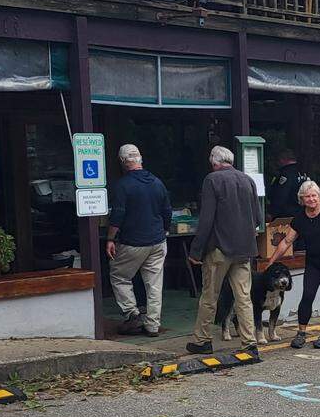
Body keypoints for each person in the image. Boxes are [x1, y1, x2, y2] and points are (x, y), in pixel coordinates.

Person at [187, 145, 264, 354]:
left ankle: (202, 340)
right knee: (244, 297)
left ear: (213, 162)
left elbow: (206, 219)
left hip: (219, 249)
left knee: (210, 295)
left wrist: (196, 251)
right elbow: (258, 218)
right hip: (245, 249)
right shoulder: (247, 180)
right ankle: (249, 342)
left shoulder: (212, 180)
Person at [266, 180, 320, 349]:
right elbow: (286, 241)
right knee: (307, 295)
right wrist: (271, 261)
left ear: (319, 196)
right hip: (313, 262)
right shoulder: (300, 218)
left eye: (314, 196)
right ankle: (301, 333)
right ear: (302, 199)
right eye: (308, 197)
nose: (312, 199)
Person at [106, 144, 171, 337]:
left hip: (132, 242)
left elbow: (118, 215)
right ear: (140, 159)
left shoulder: (123, 185)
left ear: (123, 162)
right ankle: (152, 325)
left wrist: (110, 238)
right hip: (158, 241)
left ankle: (132, 314)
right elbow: (167, 211)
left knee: (119, 276)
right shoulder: (157, 182)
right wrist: (164, 229)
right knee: (154, 284)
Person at [268, 149, 309, 219]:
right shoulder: (303, 172)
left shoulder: (286, 174)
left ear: (282, 159)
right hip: (303, 212)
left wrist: (272, 212)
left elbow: (281, 195)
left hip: (287, 215)